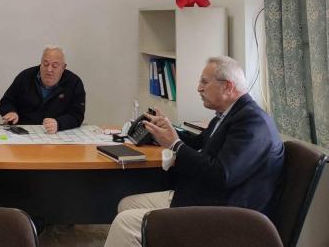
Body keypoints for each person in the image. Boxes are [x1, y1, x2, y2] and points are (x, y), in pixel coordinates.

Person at [104, 56, 284, 247]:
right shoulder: (227, 115)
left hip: (225, 216)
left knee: (125, 224)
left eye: (205, 82)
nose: (199, 88)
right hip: (202, 198)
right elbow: (199, 143)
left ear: (227, 87)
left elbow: (221, 175)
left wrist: (175, 144)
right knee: (126, 205)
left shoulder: (252, 123)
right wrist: (166, 130)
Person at [0, 45, 85, 133]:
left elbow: (77, 115)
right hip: (23, 131)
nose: (49, 69)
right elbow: (6, 101)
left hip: (56, 133)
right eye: (45, 64)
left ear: (63, 67)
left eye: (55, 66)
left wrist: (59, 123)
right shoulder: (25, 77)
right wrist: (10, 111)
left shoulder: (74, 83)